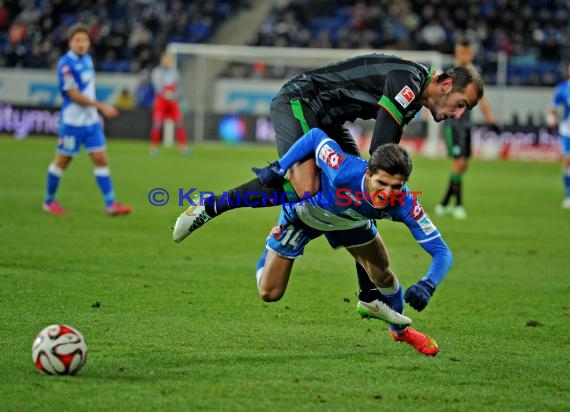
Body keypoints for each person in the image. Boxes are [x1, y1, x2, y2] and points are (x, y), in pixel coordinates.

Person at [173, 53, 481, 317]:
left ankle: (369, 295)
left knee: (364, 192)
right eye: (460, 104)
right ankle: (211, 205)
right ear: (446, 84)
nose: (458, 114)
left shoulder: (413, 91)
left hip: (329, 122)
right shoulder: (408, 84)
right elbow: (380, 153)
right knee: (310, 186)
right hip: (302, 101)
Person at [177, 128, 453, 356]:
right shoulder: (343, 169)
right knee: (269, 293)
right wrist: (281, 166)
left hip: (350, 223)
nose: (388, 193)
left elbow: (441, 251)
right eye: (382, 183)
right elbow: (315, 136)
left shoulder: (405, 202)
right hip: (304, 216)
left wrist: (429, 283)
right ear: (369, 174)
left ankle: (400, 332)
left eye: (397, 186)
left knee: (383, 272)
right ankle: (268, 244)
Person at [42, 23, 131, 217]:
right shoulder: (65, 64)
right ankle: (49, 201)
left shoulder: (88, 60)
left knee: (100, 158)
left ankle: (111, 204)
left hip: (90, 123)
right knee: (62, 161)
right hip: (72, 123)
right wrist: (102, 107)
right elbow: (74, 95)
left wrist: (96, 111)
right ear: (70, 42)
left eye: (85, 40)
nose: (82, 44)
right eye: (77, 40)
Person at [434, 38, 499, 219]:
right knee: (459, 163)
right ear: (457, 53)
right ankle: (458, 205)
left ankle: (445, 203)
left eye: (468, 53)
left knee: (464, 165)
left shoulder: (474, 73)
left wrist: (489, 118)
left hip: (467, 125)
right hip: (453, 125)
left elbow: (481, 98)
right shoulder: (450, 74)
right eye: (462, 52)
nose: (465, 56)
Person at [150, 51, 188, 155]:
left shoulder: (175, 72)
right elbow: (157, 86)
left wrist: (176, 96)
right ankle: (154, 147)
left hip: (173, 100)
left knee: (179, 123)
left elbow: (179, 87)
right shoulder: (157, 72)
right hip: (161, 100)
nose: (168, 61)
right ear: (162, 60)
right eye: (166, 59)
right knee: (157, 124)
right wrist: (165, 93)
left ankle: (183, 148)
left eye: (170, 59)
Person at [546, 63, 570, 209]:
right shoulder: (563, 88)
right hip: (567, 130)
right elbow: (553, 107)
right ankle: (569, 195)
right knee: (568, 162)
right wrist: (551, 116)